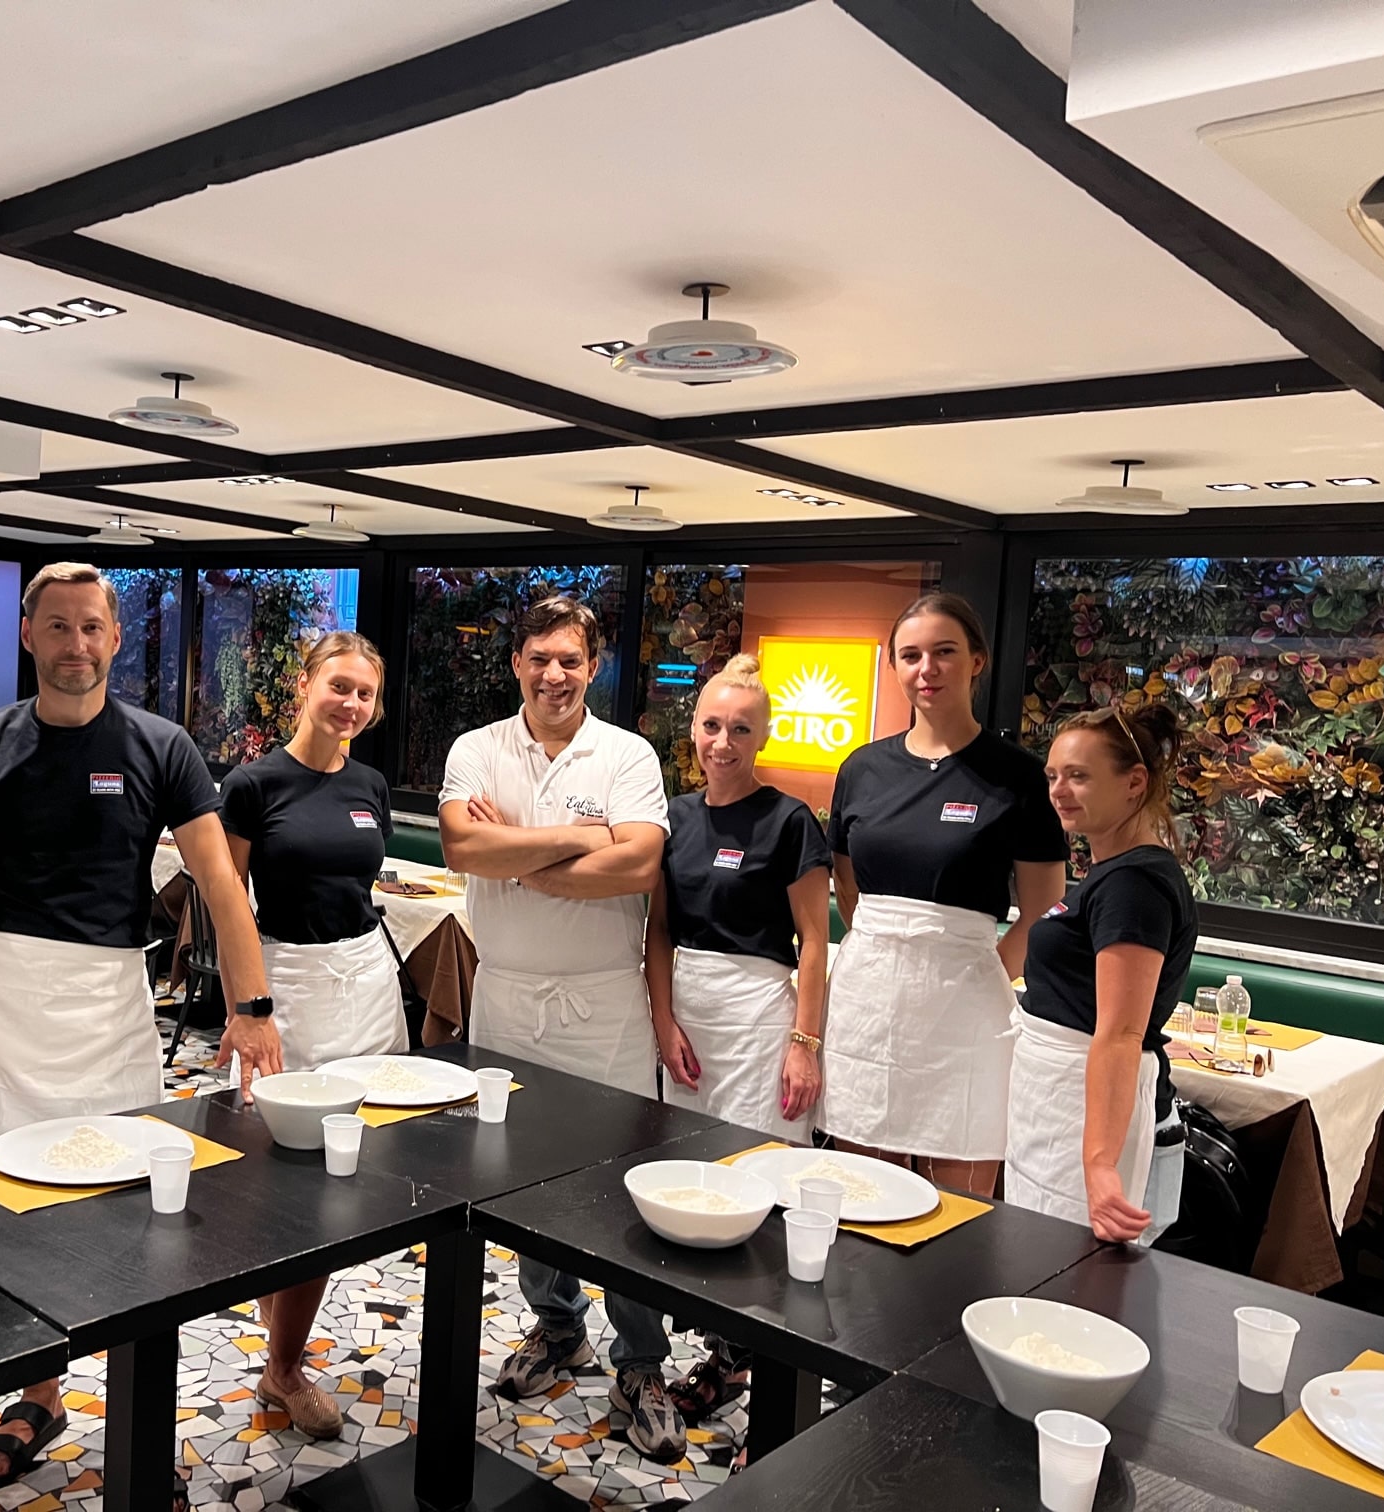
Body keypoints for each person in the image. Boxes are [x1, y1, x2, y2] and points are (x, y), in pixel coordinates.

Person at [0, 562, 280, 1491]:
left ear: (116, 639)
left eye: (92, 627)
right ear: (28, 635)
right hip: (1, 1004)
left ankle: (138, 1414)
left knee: (128, 1218)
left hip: (112, 1004)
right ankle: (37, 1393)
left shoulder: (163, 746)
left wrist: (252, 1010)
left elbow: (220, 881)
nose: (75, 644)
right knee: (5, 1209)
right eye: (57, 626)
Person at [438, 595, 684, 1462]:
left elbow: (639, 862)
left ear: (593, 667)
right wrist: (578, 840)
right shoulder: (477, 749)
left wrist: (520, 854)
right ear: (516, 663)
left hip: (603, 1007)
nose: (554, 674)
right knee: (522, 1179)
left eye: (570, 660)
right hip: (506, 1001)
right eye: (539, 658)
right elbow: (462, 850)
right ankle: (558, 1327)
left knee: (624, 1184)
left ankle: (642, 1363)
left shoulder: (626, 754)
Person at [815, 593, 1068, 1199]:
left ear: (977, 661)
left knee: (960, 1209)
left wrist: (983, 969)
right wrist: (886, 949)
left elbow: (1044, 910)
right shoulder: (861, 769)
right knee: (862, 1199)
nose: (926, 669)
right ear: (895, 667)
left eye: (944, 652)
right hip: (866, 1004)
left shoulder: (1018, 776)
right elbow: (847, 886)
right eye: (910, 656)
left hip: (967, 1008)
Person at [219, 630, 400, 1441]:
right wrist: (247, 1005)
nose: (350, 703)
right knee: (278, 1179)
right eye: (339, 686)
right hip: (285, 986)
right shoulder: (253, 785)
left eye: (364, 693)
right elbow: (226, 902)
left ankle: (283, 1360)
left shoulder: (371, 784)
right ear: (305, 684)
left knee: (336, 1181)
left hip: (364, 984)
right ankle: (283, 1356)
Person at [645, 654, 830, 1424]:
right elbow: (658, 932)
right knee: (692, 1183)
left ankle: (755, 1361)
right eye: (713, 726)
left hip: (759, 1018)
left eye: (741, 730)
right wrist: (663, 1022)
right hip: (688, 1017)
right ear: (693, 729)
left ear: (764, 737)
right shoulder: (674, 817)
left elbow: (814, 942)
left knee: (759, 1184)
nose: (724, 742)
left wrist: (804, 1042)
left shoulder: (790, 821)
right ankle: (717, 1347)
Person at [1007, 704, 1196, 1243]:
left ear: (1134, 783)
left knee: (1074, 1275)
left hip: (1089, 1119)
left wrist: (1100, 1162)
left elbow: (1120, 1033)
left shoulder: (1135, 885)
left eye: (1079, 776)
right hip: (1057, 1104)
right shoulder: (1110, 873)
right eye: (1052, 776)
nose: (1059, 791)